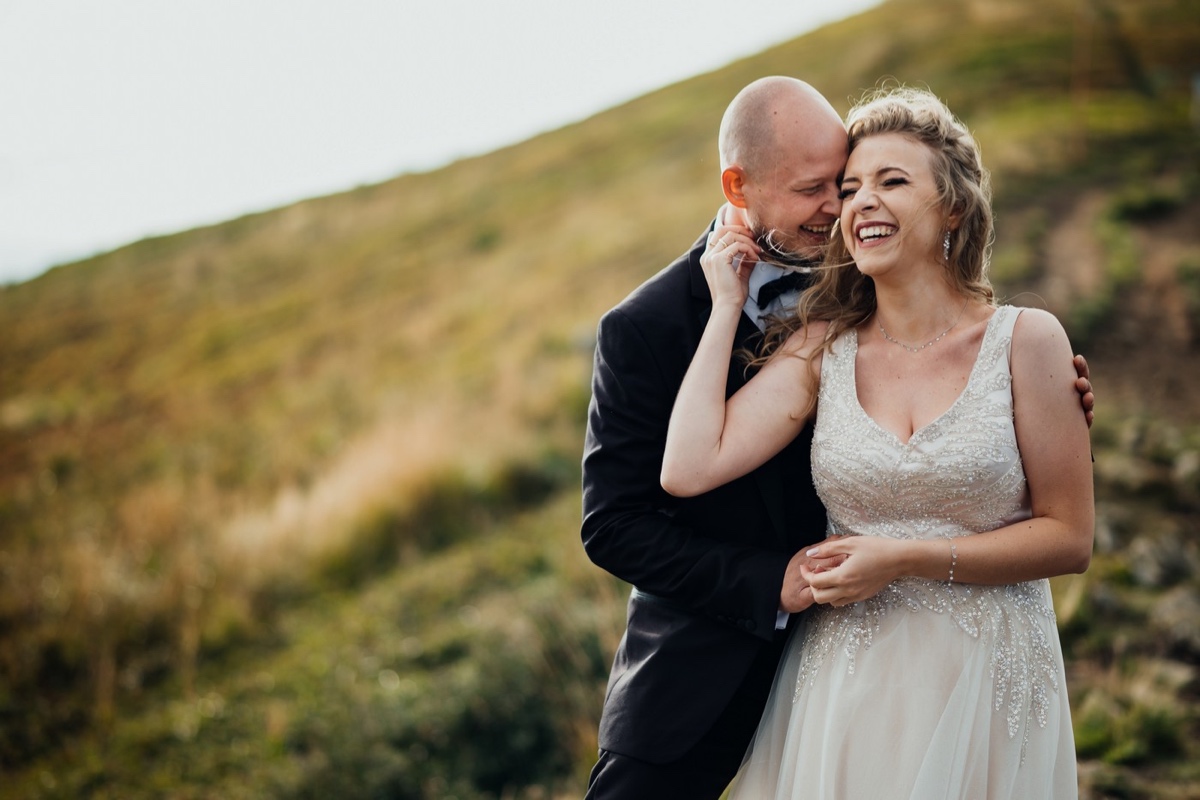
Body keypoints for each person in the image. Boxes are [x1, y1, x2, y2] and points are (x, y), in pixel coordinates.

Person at [581, 76, 1094, 798]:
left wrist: (1041, 406)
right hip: (757, 660)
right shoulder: (786, 339)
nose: (845, 206)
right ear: (739, 187)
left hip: (982, 668)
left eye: (873, 182)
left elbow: (1067, 529)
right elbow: (647, 499)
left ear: (951, 204)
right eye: (834, 188)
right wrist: (726, 305)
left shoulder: (1011, 335)